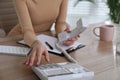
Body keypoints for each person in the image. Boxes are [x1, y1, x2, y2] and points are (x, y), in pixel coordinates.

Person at [8, 0, 79, 66]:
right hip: (20, 40)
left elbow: (60, 23)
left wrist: (64, 36)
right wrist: (35, 43)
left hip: (44, 41)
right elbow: (27, 30)